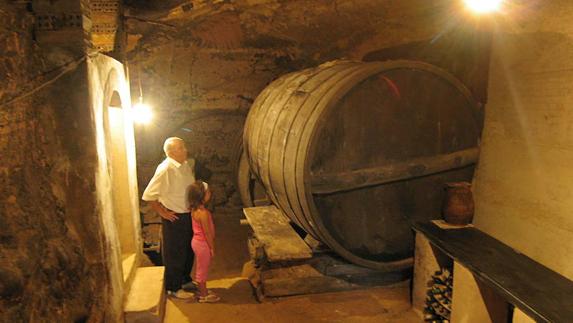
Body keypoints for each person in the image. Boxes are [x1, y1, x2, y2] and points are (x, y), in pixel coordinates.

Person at [142, 137, 197, 299]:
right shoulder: (165, 169)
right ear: (171, 152)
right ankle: (173, 287)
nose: (185, 150)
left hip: (188, 214)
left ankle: (185, 279)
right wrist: (163, 212)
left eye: (184, 146)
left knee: (189, 249)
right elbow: (149, 195)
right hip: (175, 217)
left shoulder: (185, 165)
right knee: (175, 253)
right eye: (181, 148)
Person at [188, 180, 220, 303]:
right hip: (203, 244)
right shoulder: (203, 213)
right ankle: (203, 295)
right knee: (202, 270)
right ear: (202, 196)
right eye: (208, 192)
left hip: (197, 242)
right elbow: (207, 233)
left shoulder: (194, 209)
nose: (210, 193)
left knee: (201, 267)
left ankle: (203, 290)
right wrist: (211, 247)